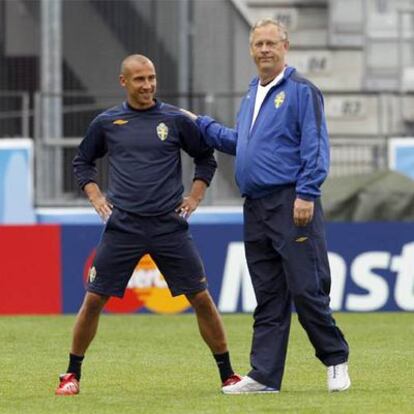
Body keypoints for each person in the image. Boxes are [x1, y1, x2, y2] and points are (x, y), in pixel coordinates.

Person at [181, 19, 350, 394]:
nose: (264, 50)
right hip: (255, 207)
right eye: (258, 44)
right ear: (251, 49)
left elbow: (315, 146)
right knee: (268, 294)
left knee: (306, 289)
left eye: (271, 43)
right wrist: (201, 125)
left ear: (285, 46)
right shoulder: (251, 93)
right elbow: (242, 143)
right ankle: (264, 376)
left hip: (291, 201)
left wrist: (307, 192)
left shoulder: (302, 90)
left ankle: (336, 358)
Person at [55, 54, 241, 396]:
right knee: (94, 300)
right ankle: (71, 374)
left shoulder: (174, 119)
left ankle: (228, 374)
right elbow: (82, 162)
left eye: (152, 78)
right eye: (140, 79)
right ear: (123, 82)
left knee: (201, 298)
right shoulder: (107, 123)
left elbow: (205, 158)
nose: (148, 85)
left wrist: (195, 197)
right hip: (123, 226)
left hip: (168, 226)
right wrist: (96, 197)